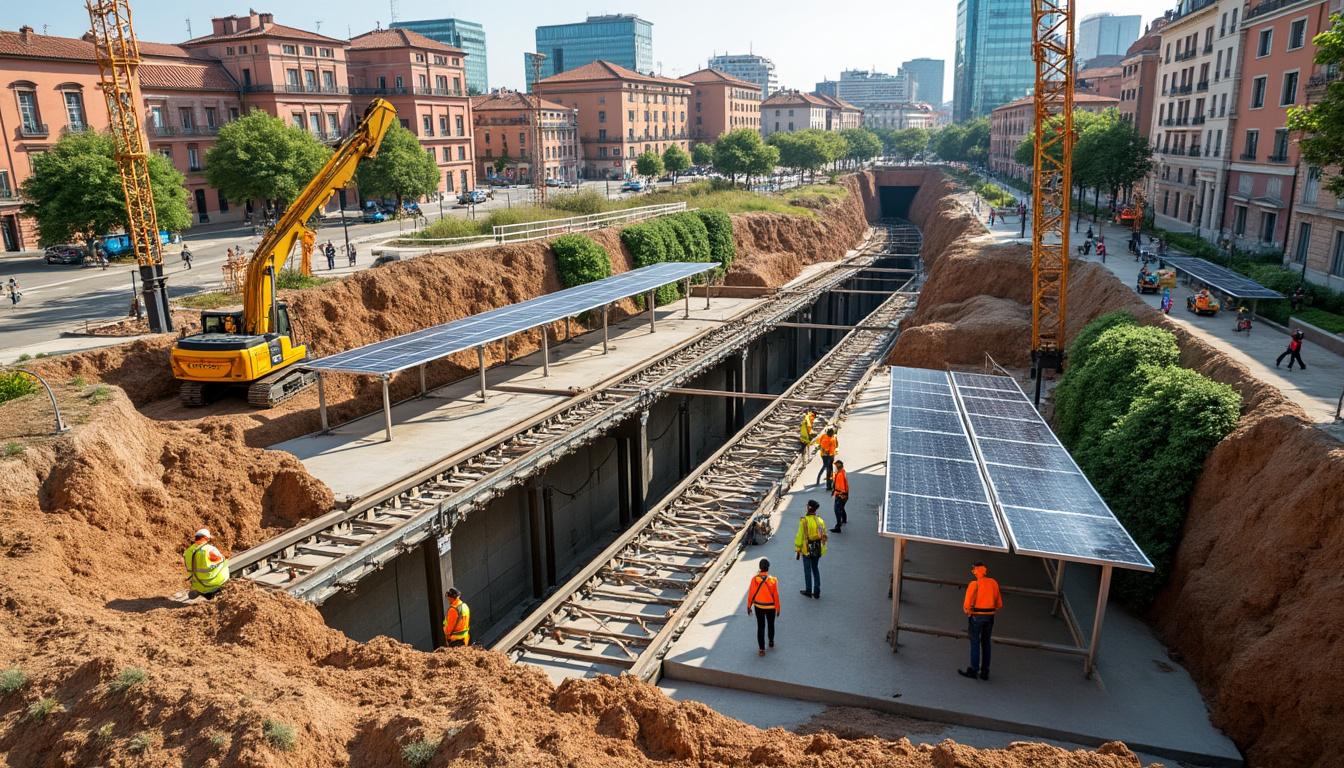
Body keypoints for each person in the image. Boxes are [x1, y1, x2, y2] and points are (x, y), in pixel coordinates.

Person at [958, 562, 1002, 681]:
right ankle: (985, 671)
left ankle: (973, 669)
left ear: (975, 571)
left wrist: (968, 612)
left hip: (977, 616)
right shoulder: (993, 582)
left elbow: (967, 604)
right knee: (986, 643)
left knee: (975, 642)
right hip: (990, 617)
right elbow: (999, 603)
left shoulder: (974, 584)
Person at [794, 500, 828, 599]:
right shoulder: (820, 521)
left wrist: (798, 548)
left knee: (807, 570)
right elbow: (823, 536)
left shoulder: (804, 521)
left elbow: (800, 536)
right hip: (817, 549)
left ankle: (808, 590)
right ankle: (817, 591)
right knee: (815, 569)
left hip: (807, 550)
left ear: (809, 508)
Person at [746, 558, 781, 656]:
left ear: (760, 568)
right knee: (771, 624)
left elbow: (751, 594)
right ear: (768, 568)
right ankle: (771, 641)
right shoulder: (773, 580)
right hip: (771, 607)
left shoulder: (755, 580)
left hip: (759, 606)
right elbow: (776, 595)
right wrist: (778, 608)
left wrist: (749, 606)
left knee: (760, 627)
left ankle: (761, 649)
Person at [183, 528, 229, 599]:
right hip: (211, 583)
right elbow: (220, 559)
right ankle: (221, 586)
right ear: (206, 538)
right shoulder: (209, 549)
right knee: (225, 562)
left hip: (198, 584)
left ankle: (199, 590)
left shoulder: (188, 552)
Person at [830, 460, 849, 533]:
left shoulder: (840, 475)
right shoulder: (842, 472)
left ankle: (838, 526)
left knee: (837, 510)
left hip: (840, 495)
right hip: (845, 494)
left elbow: (841, 488)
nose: (834, 468)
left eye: (835, 466)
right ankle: (844, 519)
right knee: (841, 507)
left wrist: (838, 494)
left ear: (837, 467)